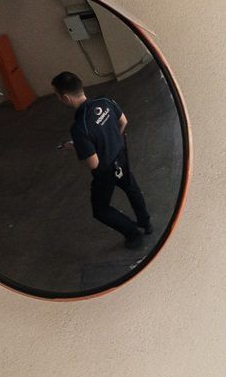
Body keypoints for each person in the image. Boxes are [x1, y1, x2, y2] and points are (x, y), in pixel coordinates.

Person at [52, 70, 152, 247]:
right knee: (131, 188)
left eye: (57, 96)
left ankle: (133, 233)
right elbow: (123, 122)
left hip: (106, 171)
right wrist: (113, 141)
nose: (58, 100)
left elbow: (94, 163)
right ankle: (146, 223)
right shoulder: (105, 101)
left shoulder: (80, 128)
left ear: (66, 98)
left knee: (100, 210)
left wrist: (76, 147)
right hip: (121, 156)